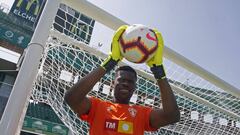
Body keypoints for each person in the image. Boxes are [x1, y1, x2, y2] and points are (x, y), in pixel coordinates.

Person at [64, 25, 180, 135]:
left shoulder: (142, 114)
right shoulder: (97, 106)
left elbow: (172, 116)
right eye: (121, 80)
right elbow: (72, 98)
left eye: (130, 82)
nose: (125, 83)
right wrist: (110, 62)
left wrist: (158, 71)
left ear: (135, 88)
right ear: (113, 83)